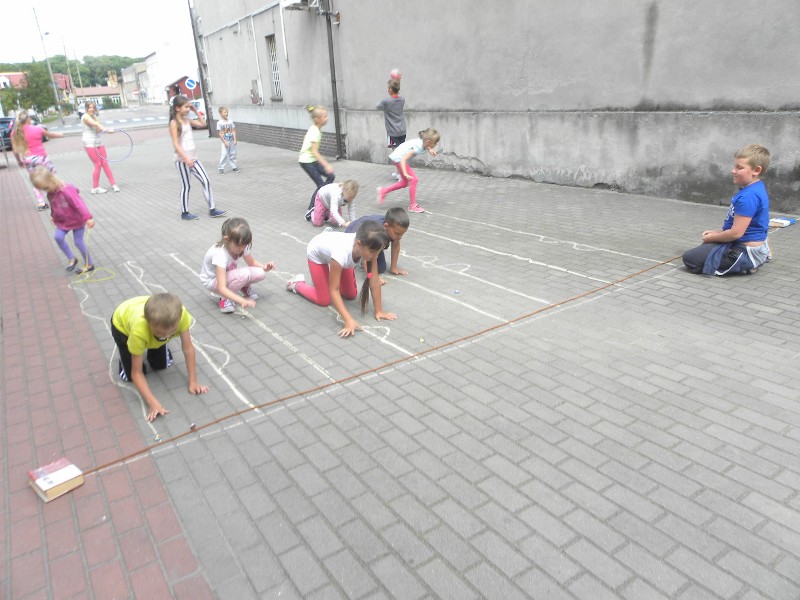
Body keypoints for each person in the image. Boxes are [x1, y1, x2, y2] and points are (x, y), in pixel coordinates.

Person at [286, 221, 397, 337]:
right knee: (324, 300)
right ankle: (297, 284)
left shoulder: (370, 248)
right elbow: (334, 289)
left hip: (341, 258)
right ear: (358, 244)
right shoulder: (341, 253)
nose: (376, 256)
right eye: (373, 253)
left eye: (378, 252)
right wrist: (348, 320)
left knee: (350, 295)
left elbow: (373, 280)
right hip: (317, 253)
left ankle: (325, 279)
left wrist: (379, 311)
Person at [111, 293, 208, 422]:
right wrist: (153, 403)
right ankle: (127, 354)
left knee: (161, 364)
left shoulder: (181, 315)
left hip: (150, 325)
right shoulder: (139, 330)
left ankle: (153, 344)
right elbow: (136, 373)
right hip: (122, 325)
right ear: (148, 323)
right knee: (129, 375)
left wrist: (193, 382)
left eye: (172, 332)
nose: (166, 336)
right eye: (160, 333)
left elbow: (188, 348)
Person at [683, 144, 772, 276]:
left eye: (739, 168)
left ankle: (749, 263)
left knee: (690, 259)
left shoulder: (748, 197)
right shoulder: (756, 187)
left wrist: (712, 237)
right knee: (706, 246)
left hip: (744, 250)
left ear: (756, 170)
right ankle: (759, 255)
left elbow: (736, 233)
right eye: (734, 166)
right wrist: (717, 233)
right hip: (747, 244)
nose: (733, 171)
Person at [169, 95, 228, 221]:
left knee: (206, 180)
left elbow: (203, 123)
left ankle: (212, 209)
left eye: (188, 107)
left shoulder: (187, 120)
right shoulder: (174, 123)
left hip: (194, 158)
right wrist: (186, 159)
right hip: (182, 160)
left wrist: (195, 111)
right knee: (186, 186)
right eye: (186, 107)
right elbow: (176, 144)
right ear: (178, 108)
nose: (188, 109)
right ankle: (185, 213)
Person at [200, 217, 276, 314]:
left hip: (226, 276)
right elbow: (221, 287)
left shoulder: (241, 242)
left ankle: (244, 286)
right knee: (244, 274)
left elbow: (251, 263)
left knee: (261, 273)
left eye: (244, 245)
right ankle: (225, 300)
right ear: (227, 239)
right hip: (212, 281)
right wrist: (241, 300)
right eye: (238, 245)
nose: (241, 249)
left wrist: (264, 267)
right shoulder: (220, 254)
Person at [29, 167, 95, 274]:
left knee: (78, 242)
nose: (46, 191)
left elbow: (79, 204)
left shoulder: (66, 190)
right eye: (43, 189)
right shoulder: (50, 193)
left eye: (46, 187)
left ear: (52, 180)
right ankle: (72, 258)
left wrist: (88, 218)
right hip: (63, 221)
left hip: (76, 220)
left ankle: (89, 264)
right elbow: (53, 205)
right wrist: (53, 215)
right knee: (58, 237)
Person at [10, 110, 65, 210]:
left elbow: (15, 150)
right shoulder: (37, 129)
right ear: (28, 119)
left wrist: (19, 161)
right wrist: (61, 135)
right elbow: (50, 135)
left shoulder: (15, 133)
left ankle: (41, 203)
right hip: (41, 158)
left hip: (27, 160)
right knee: (52, 176)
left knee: (36, 179)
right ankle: (59, 197)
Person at [377, 128, 440, 214]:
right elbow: (403, 159)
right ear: (428, 141)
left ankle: (383, 191)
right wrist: (405, 173)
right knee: (414, 179)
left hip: (397, 157)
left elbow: (426, 145)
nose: (436, 144)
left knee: (404, 183)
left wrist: (430, 149)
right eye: (435, 143)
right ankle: (412, 206)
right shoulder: (417, 148)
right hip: (399, 159)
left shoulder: (423, 141)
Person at [346, 207, 410, 283]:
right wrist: (372, 277)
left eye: (402, 234)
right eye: (397, 233)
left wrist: (394, 267)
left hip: (371, 238)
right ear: (386, 226)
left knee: (380, 268)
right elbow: (367, 256)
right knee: (366, 256)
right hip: (353, 232)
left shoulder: (392, 227)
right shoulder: (376, 232)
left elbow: (396, 246)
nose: (400, 236)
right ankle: (359, 257)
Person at [299, 105, 335, 221]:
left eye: (326, 116)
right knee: (321, 186)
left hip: (312, 160)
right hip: (306, 161)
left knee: (331, 176)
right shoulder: (315, 131)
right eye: (325, 116)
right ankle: (311, 209)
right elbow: (315, 151)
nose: (327, 118)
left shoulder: (316, 129)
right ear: (318, 119)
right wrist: (326, 164)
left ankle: (323, 201)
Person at [81, 101, 120, 194]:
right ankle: (95, 188)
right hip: (89, 143)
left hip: (98, 141)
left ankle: (114, 184)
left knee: (105, 163)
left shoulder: (95, 117)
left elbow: (98, 129)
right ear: (86, 108)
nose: (92, 109)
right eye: (90, 107)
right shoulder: (85, 117)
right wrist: (106, 130)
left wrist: (107, 130)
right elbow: (95, 124)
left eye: (93, 107)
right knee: (98, 165)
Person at [376, 77, 406, 181]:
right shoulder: (402, 99)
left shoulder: (386, 101)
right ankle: (399, 173)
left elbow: (377, 106)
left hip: (392, 133)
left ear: (389, 89)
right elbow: (397, 96)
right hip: (402, 131)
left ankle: (402, 175)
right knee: (401, 152)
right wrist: (397, 82)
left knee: (396, 154)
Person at [216, 106, 238, 174]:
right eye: (225, 112)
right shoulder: (219, 123)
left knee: (233, 154)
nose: (226, 113)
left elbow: (233, 131)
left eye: (227, 112)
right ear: (220, 113)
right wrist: (224, 142)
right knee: (224, 154)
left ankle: (234, 167)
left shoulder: (230, 121)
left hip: (231, 140)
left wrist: (235, 139)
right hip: (225, 141)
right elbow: (220, 133)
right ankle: (221, 168)